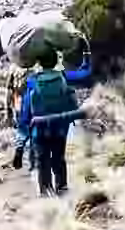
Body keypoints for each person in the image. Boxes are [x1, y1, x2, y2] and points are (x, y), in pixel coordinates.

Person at [19, 48, 81, 196]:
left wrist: (21, 141)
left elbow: (25, 113)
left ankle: (46, 195)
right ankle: (62, 190)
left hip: (38, 132)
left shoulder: (32, 82)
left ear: (39, 63)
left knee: (42, 164)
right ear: (55, 62)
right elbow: (73, 108)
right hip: (59, 131)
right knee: (59, 160)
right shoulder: (63, 79)